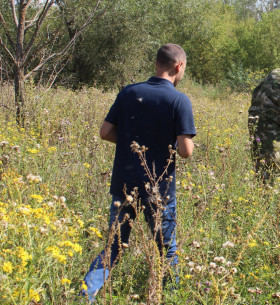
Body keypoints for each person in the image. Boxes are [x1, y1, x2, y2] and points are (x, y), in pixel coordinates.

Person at [80, 44, 196, 302]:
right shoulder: (179, 100)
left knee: (113, 248)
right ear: (179, 66)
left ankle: (84, 296)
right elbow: (186, 151)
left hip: (125, 185)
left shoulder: (128, 93)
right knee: (166, 248)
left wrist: (131, 146)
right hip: (160, 189)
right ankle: (174, 297)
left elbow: (105, 132)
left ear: (156, 64)